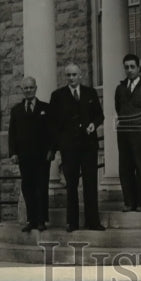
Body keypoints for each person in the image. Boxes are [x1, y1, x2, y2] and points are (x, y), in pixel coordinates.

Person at [49, 63, 106, 231]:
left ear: (80, 75)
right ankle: (72, 222)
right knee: (71, 184)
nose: (71, 78)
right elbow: (53, 123)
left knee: (90, 183)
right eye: (68, 75)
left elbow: (99, 115)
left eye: (74, 75)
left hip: (88, 146)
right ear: (65, 77)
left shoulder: (90, 93)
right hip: (69, 148)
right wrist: (58, 145)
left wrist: (93, 125)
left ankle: (93, 221)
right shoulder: (58, 96)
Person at [7, 76, 51, 231]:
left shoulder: (45, 108)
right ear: (22, 90)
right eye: (25, 88)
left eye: (31, 87)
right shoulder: (16, 110)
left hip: (42, 156)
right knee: (28, 188)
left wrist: (51, 150)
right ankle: (31, 220)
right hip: (24, 157)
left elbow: (51, 132)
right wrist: (13, 153)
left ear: (36, 88)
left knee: (41, 187)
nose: (28, 90)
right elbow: (12, 133)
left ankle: (41, 220)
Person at [114, 54, 141, 213]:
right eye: (126, 67)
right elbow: (118, 108)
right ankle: (129, 202)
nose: (129, 70)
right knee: (125, 167)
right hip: (124, 133)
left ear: (139, 68)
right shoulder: (120, 88)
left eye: (132, 67)